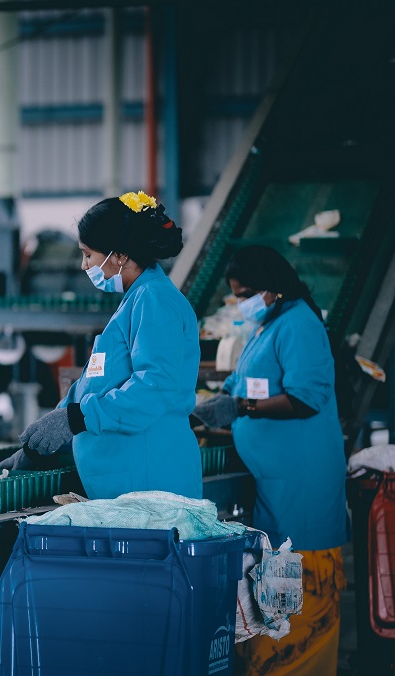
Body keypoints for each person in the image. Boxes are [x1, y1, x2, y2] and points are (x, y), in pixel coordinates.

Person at [191, 245, 346, 675]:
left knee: (302, 619)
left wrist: (240, 408)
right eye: (237, 295)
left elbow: (306, 397)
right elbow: (249, 386)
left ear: (273, 289)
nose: (243, 303)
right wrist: (222, 403)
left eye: (247, 293)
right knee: (276, 617)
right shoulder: (269, 326)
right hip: (277, 491)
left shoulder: (298, 324)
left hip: (303, 491)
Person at [0, 191, 202, 500]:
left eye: (88, 255)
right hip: (132, 483)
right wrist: (44, 439)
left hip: (150, 482)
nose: (83, 265)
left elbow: (155, 387)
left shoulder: (154, 301)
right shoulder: (136, 300)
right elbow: (94, 385)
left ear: (119, 255)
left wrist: (76, 418)